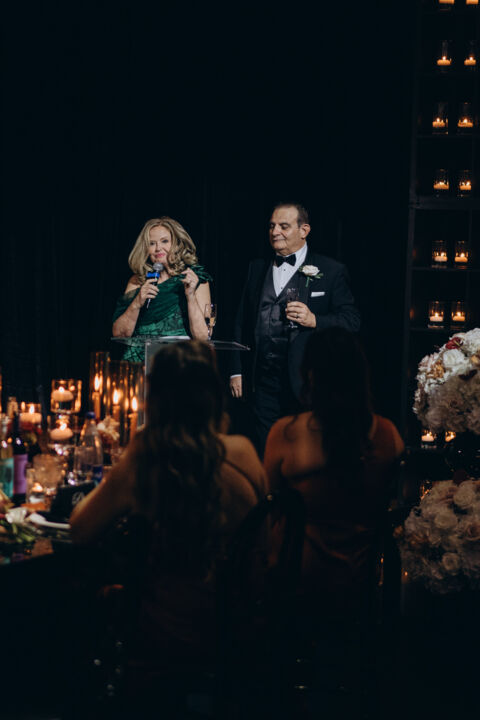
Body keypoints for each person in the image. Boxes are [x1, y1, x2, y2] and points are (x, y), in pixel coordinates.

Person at [70, 340, 266, 674]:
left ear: (155, 398)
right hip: (241, 630)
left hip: (166, 636)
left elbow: (80, 530)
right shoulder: (244, 451)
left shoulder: (149, 454)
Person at [263, 327, 404, 616]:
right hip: (360, 583)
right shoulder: (387, 434)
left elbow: (268, 513)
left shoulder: (287, 433)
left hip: (295, 582)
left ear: (310, 375)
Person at [230, 202, 360, 455]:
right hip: (262, 381)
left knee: (303, 452)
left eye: (283, 226)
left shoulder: (331, 270)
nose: (275, 232)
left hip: (306, 383)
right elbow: (241, 322)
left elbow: (352, 321)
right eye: (272, 226)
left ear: (304, 230)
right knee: (266, 450)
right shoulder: (257, 268)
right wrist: (236, 370)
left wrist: (315, 320)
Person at [112, 217, 212, 362]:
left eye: (164, 241)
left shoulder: (195, 278)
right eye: (152, 243)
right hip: (139, 360)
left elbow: (202, 337)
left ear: (177, 244)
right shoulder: (137, 281)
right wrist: (137, 302)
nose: (158, 248)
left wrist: (190, 296)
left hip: (179, 360)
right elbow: (119, 333)